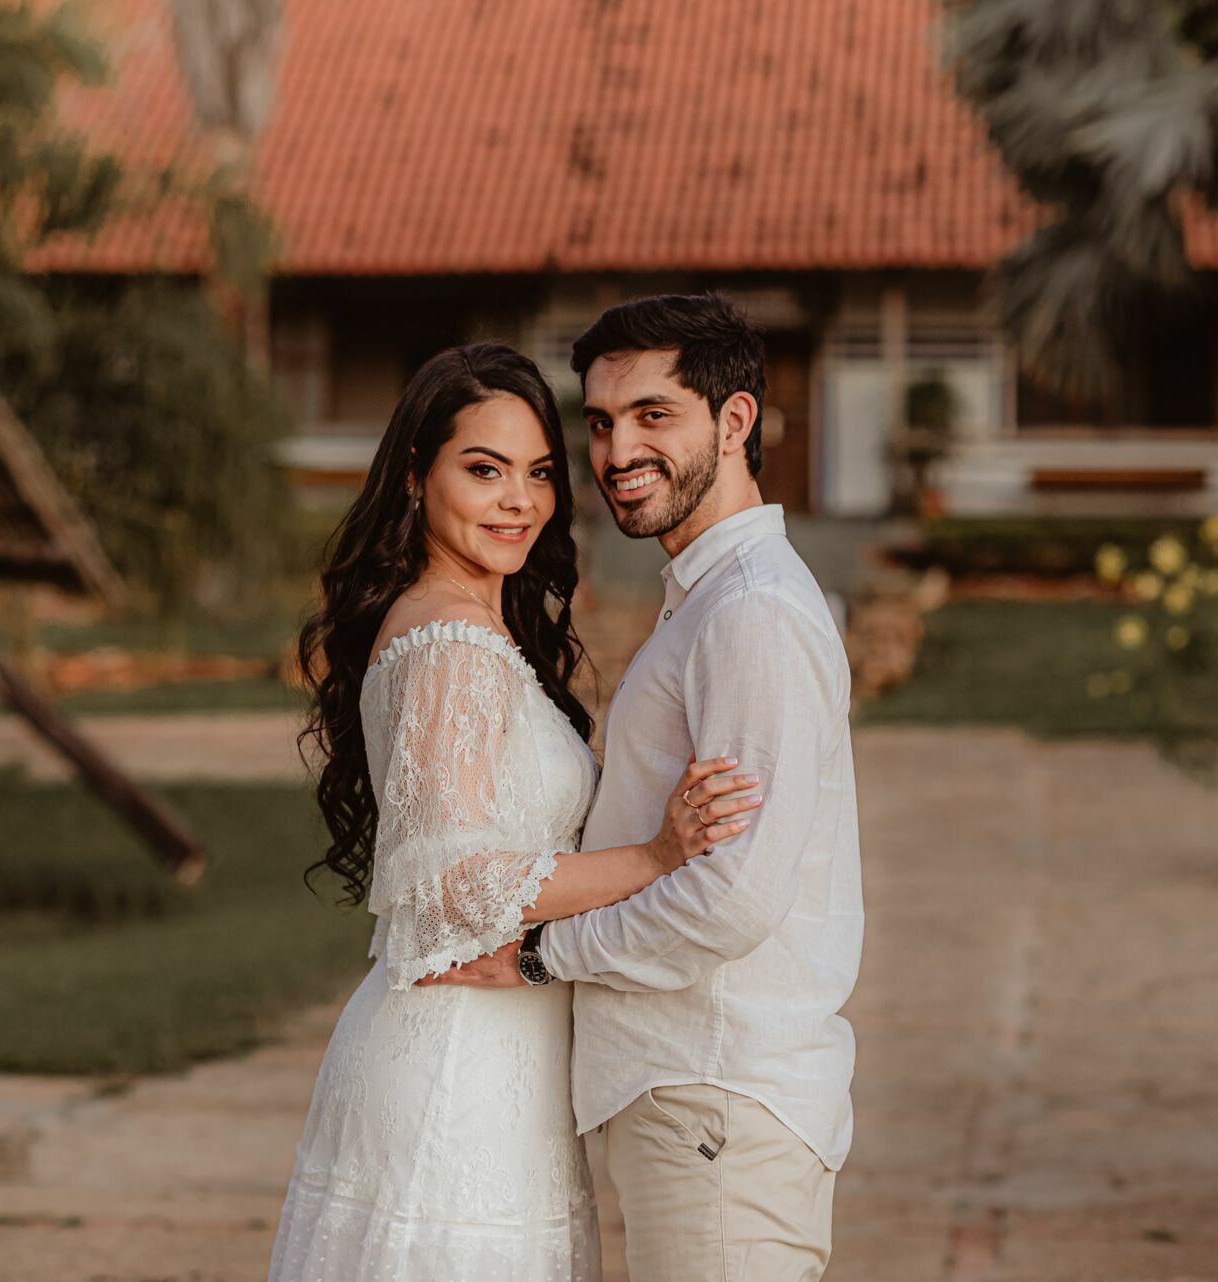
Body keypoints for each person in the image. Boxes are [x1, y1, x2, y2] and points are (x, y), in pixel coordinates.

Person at [268, 342, 762, 1281]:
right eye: (484, 470)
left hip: (506, 1057)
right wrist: (656, 855)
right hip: (457, 1066)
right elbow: (454, 886)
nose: (519, 501)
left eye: (538, 473)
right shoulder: (449, 643)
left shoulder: (472, 626)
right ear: (415, 477)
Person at [425, 294, 863, 1282]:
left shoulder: (752, 613)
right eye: (601, 421)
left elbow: (734, 896)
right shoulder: (704, 602)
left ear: (735, 420)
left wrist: (540, 956)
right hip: (689, 1099)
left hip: (718, 1096)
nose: (619, 451)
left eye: (653, 415)